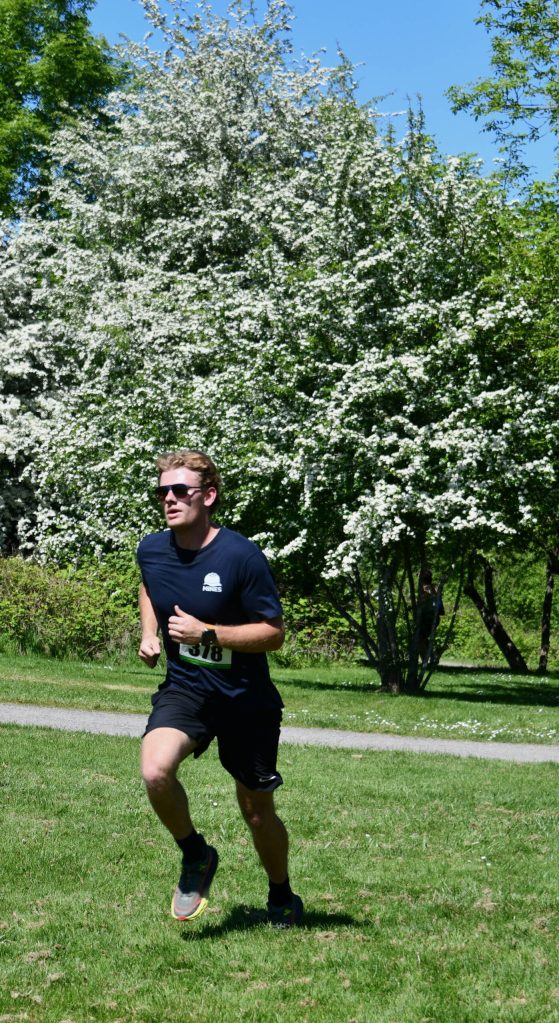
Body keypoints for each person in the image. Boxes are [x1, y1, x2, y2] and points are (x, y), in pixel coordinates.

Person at [137, 449, 303, 927]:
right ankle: (196, 854)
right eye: (162, 491)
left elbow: (273, 633)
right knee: (155, 771)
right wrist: (150, 633)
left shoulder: (240, 557)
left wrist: (209, 633)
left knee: (256, 810)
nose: (169, 499)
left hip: (245, 699)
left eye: (180, 491)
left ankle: (280, 894)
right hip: (187, 689)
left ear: (207, 496)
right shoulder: (151, 549)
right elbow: (149, 584)